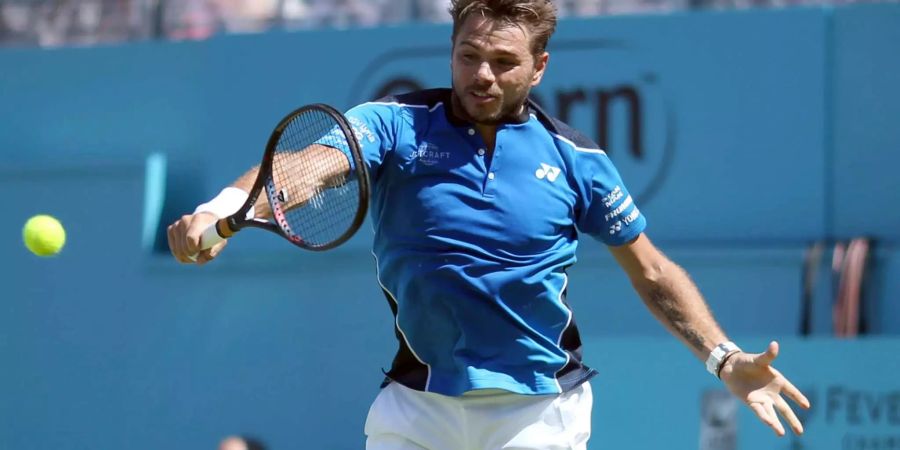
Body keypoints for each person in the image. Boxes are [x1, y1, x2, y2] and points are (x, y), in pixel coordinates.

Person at [167, 0, 811, 448]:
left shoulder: (577, 160)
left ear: (540, 67)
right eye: (468, 54)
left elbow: (653, 272)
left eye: (503, 61)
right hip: (415, 404)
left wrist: (723, 358)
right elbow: (310, 164)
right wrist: (223, 209)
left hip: (538, 411)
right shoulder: (395, 125)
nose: (481, 74)